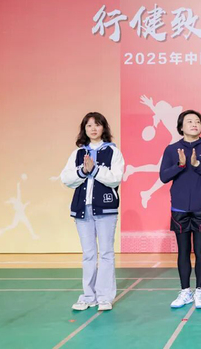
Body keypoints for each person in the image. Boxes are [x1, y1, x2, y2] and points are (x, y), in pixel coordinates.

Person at [61, 112, 125, 312]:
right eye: (89, 125)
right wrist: (83, 171)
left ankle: (104, 297)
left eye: (97, 124)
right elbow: (66, 178)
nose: (93, 129)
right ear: (84, 129)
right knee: (88, 254)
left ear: (104, 128)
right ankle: (88, 296)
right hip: (82, 209)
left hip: (106, 209)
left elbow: (115, 178)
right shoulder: (77, 153)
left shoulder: (113, 152)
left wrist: (95, 170)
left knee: (106, 253)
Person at [160, 110, 201, 309]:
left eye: (197, 121)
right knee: (183, 251)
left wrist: (197, 164)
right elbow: (163, 176)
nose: (194, 124)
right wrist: (180, 165)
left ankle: (199, 291)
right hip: (179, 209)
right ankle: (185, 291)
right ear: (181, 126)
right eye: (189, 121)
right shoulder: (172, 149)